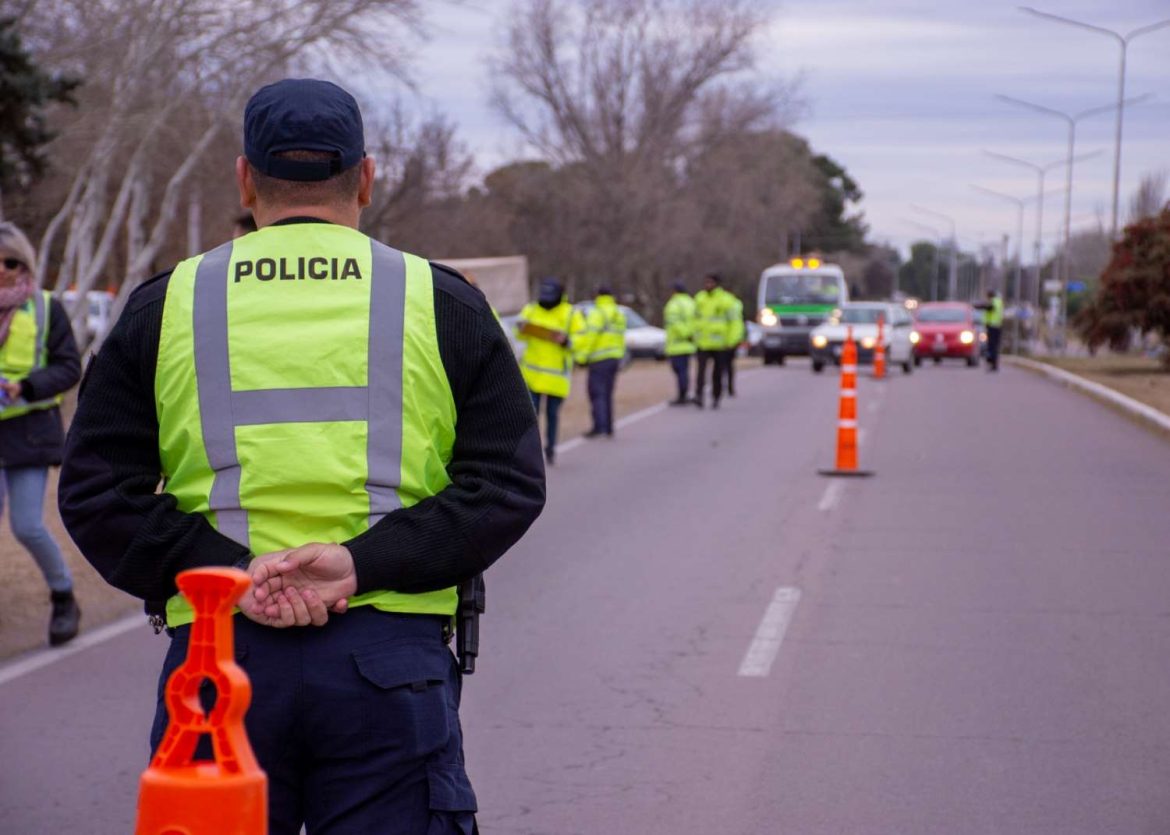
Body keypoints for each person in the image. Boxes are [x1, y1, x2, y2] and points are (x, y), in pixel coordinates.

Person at [58, 78, 545, 834]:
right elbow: (506, 484)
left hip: (219, 667)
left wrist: (231, 578)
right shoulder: (442, 300)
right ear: (368, 179)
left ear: (245, 178)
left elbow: (95, 492)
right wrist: (361, 563)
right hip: (391, 666)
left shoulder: (168, 303)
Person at [0, 223, 82, 646]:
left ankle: (64, 595)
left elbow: (70, 367)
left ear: (25, 264)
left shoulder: (47, 308)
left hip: (29, 434)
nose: (2, 271)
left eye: (10, 262)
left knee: (28, 526)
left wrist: (25, 387)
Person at [515, 277, 584, 464]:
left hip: (556, 377)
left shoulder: (570, 314)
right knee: (531, 416)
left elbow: (582, 340)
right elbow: (518, 332)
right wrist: (522, 328)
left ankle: (551, 448)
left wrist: (566, 341)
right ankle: (531, 452)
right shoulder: (531, 309)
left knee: (553, 415)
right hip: (532, 374)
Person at [575, 284, 626, 437]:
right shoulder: (618, 313)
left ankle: (599, 427)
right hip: (614, 358)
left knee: (597, 393)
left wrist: (581, 357)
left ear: (598, 295)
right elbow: (621, 336)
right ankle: (609, 426)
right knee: (608, 393)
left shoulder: (596, 313)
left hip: (598, 359)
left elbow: (590, 337)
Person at [693, 273, 734, 409]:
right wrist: (693, 334)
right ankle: (699, 395)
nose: (708, 285)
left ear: (716, 284)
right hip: (703, 342)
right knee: (701, 371)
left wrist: (731, 340)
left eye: (711, 283)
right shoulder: (699, 298)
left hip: (720, 344)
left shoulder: (725, 300)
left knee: (717, 373)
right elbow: (694, 318)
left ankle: (716, 396)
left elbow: (733, 322)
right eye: (706, 283)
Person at [663, 279, 696, 405]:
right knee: (684, 371)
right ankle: (684, 393)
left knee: (679, 371)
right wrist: (690, 335)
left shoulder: (673, 305)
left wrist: (684, 334)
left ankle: (682, 395)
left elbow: (674, 323)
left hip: (677, 344)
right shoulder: (691, 303)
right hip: (689, 344)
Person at [723, 292, 745, 397]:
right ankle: (729, 388)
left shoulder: (729, 305)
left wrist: (732, 341)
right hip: (728, 340)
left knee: (725, 366)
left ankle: (728, 387)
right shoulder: (736, 304)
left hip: (726, 341)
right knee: (728, 366)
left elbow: (735, 324)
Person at [977, 289, 1004, 372]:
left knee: (992, 346)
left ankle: (993, 364)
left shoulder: (995, 301)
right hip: (995, 326)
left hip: (994, 327)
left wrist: (978, 306)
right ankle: (993, 364)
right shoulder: (997, 301)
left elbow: (989, 308)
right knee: (993, 346)